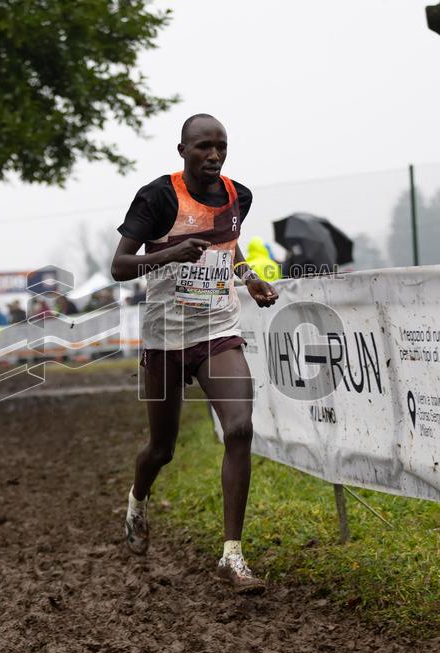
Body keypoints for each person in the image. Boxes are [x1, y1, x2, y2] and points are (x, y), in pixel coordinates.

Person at [110, 113, 278, 593]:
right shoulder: (158, 197)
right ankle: (138, 500)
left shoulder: (236, 195)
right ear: (182, 150)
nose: (214, 155)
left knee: (240, 427)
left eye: (221, 147)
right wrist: (167, 254)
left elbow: (229, 247)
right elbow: (120, 266)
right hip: (165, 337)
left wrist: (250, 280)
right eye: (204, 147)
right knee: (161, 450)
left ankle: (232, 556)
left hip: (216, 331)